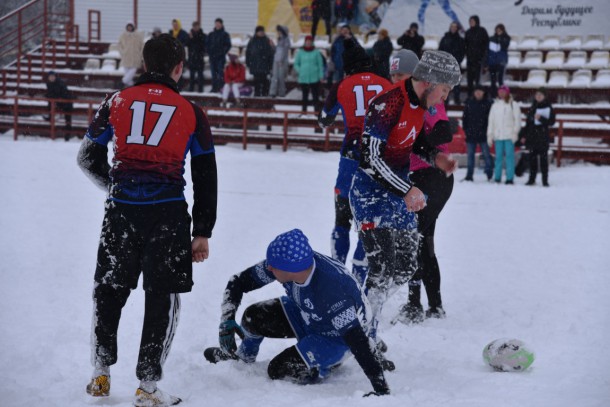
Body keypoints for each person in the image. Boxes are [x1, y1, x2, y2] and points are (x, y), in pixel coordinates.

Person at [77, 34, 218, 407]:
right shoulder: (192, 112)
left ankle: (100, 375)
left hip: (121, 211)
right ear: (180, 68)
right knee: (162, 299)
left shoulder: (116, 101)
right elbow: (206, 176)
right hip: (168, 216)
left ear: (142, 64)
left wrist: (117, 186)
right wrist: (202, 231)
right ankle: (148, 387)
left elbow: (87, 159)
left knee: (109, 290)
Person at [349, 50, 460, 341]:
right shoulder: (387, 103)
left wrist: (437, 157)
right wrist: (407, 189)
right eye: (445, 91)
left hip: (396, 196)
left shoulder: (418, 105)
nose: (444, 99)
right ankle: (363, 335)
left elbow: (416, 142)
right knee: (382, 268)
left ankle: (365, 324)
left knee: (406, 267)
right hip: (370, 196)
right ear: (430, 83)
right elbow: (370, 158)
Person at [203, 229, 391, 397]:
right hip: (305, 312)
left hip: (335, 337)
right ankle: (242, 358)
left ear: (291, 269)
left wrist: (380, 388)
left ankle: (328, 364)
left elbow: (356, 339)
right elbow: (239, 281)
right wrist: (226, 319)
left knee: (278, 370)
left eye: (273, 266)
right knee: (254, 316)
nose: (268, 267)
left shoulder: (332, 290)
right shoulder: (290, 263)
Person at [318, 38, 392, 285]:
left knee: (342, 218)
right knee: (367, 223)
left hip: (351, 158)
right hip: (378, 161)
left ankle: (337, 274)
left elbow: (325, 119)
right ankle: (359, 278)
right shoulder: (385, 84)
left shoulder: (342, 85)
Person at [487, 85, 521, 184]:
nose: (501, 93)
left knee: (510, 157)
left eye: (503, 91)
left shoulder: (513, 104)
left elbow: (517, 120)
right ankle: (497, 177)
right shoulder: (495, 105)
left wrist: (515, 132)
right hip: (498, 136)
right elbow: (491, 121)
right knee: (498, 157)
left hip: (509, 135)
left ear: (507, 93)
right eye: (500, 91)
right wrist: (490, 135)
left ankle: (510, 178)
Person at [523, 87, 555, 186]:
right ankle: (531, 179)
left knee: (543, 160)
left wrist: (541, 118)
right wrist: (524, 135)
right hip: (532, 137)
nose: (538, 96)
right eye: (537, 94)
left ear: (544, 96)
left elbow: (551, 122)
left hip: (542, 137)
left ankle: (545, 180)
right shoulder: (533, 106)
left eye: (540, 95)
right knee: (532, 160)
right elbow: (528, 123)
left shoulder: (549, 107)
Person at [462, 84, 493, 181]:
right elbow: (465, 118)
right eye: (476, 91)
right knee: (470, 156)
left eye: (480, 91)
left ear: (483, 92)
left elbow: (491, 119)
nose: (478, 93)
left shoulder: (488, 103)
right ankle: (469, 175)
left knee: (487, 155)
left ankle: (489, 173)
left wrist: (487, 131)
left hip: (484, 134)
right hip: (471, 134)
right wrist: (466, 130)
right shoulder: (469, 103)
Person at [293, 35, 325, 113]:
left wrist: (321, 76)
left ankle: (316, 112)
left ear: (312, 42)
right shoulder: (300, 52)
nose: (308, 43)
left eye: (310, 41)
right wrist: (300, 70)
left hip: (315, 77)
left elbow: (320, 65)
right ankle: (304, 111)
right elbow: (296, 64)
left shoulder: (317, 52)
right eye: (307, 41)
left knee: (315, 96)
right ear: (305, 42)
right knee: (304, 96)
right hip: (304, 77)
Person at [438, 21, 465, 104]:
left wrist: (457, 61)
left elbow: (462, 52)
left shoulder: (460, 40)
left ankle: (457, 99)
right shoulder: (445, 38)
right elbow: (440, 50)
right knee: (445, 83)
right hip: (445, 65)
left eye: (455, 27)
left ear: (457, 28)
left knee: (456, 83)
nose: (453, 28)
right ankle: (445, 99)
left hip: (455, 65)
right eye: (452, 26)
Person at [245, 26, 275, 97]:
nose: (261, 33)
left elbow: (271, 53)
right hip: (255, 64)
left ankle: (265, 95)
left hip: (265, 65)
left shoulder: (267, 40)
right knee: (256, 81)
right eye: (259, 31)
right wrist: (248, 63)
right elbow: (248, 53)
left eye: (262, 31)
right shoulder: (252, 41)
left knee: (265, 81)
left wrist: (270, 64)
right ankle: (257, 94)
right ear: (256, 32)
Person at [44, 70, 73, 140]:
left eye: (53, 76)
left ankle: (67, 135)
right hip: (58, 102)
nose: (51, 78)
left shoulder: (60, 83)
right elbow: (51, 94)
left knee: (68, 119)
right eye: (50, 77)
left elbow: (61, 94)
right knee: (50, 103)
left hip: (66, 103)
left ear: (55, 77)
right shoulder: (49, 84)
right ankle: (50, 116)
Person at [464, 15, 489, 97]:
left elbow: (486, 46)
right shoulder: (468, 32)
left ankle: (477, 97)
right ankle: (469, 97)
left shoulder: (482, 31)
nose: (471, 23)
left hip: (479, 60)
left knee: (477, 82)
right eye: (470, 21)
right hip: (470, 60)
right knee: (469, 81)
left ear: (477, 22)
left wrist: (484, 60)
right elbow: (466, 46)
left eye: (473, 21)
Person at [207, 18, 232, 93]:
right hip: (212, 57)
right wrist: (209, 51)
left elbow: (228, 45)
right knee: (213, 74)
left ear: (221, 24)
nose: (217, 25)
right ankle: (214, 88)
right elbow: (207, 44)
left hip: (220, 58)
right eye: (216, 23)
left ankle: (220, 88)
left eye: (219, 23)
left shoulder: (225, 34)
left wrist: (222, 52)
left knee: (220, 74)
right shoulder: (211, 34)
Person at [487, 24, 511, 97]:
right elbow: (488, 50)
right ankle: (493, 95)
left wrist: (500, 38)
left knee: (500, 80)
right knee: (493, 80)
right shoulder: (491, 38)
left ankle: (502, 95)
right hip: (492, 61)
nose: (498, 31)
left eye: (500, 30)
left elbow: (505, 45)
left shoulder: (506, 38)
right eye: (497, 30)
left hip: (501, 61)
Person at [118, 22, 144, 87]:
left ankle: (122, 82)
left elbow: (142, 45)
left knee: (133, 70)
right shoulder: (123, 35)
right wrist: (122, 52)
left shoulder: (138, 35)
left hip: (136, 57)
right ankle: (131, 87)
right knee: (127, 74)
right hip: (126, 56)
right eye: (128, 27)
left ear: (133, 27)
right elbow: (119, 45)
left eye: (130, 26)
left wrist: (140, 54)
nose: (129, 28)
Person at [270, 25, 290, 97]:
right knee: (274, 76)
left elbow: (284, 51)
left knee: (281, 77)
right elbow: (277, 50)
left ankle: (281, 93)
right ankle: (273, 92)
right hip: (276, 60)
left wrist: (281, 60)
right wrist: (273, 46)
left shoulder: (286, 40)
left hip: (282, 61)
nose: (278, 33)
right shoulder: (279, 39)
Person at [186, 21, 207, 93]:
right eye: (194, 26)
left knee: (200, 76)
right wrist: (190, 38)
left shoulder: (203, 35)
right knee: (192, 76)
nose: (195, 27)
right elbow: (187, 44)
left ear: (199, 26)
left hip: (199, 58)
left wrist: (193, 38)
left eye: (197, 26)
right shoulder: (189, 35)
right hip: (192, 58)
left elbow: (202, 45)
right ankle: (191, 90)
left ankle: (200, 90)